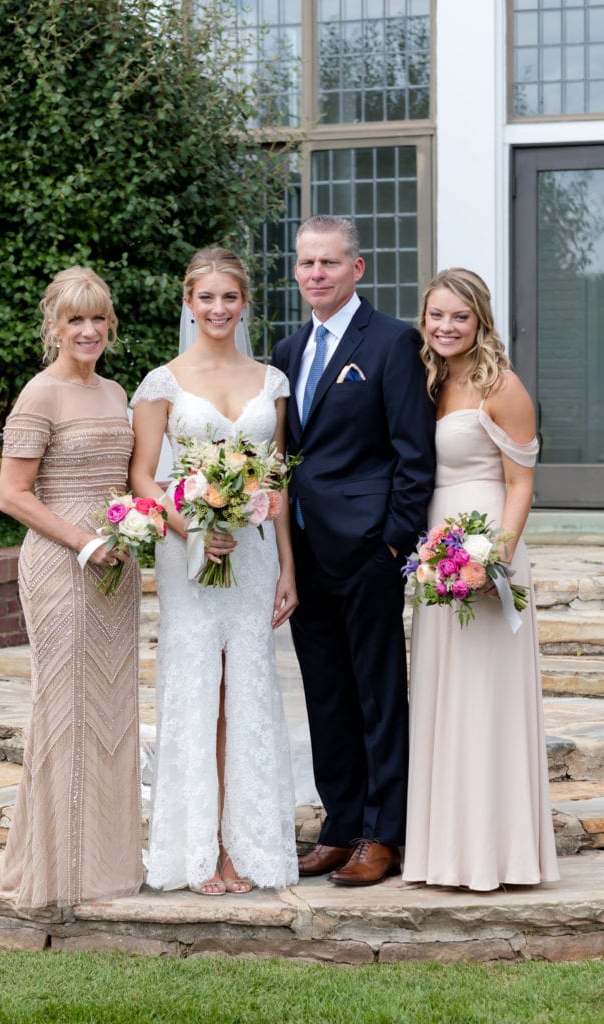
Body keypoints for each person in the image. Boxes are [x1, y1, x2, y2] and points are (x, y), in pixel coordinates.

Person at [272, 215, 436, 886]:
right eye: (306, 264)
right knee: (326, 695)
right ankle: (340, 826)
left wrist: (392, 539)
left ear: (355, 269)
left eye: (329, 263)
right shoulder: (285, 352)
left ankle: (381, 832)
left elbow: (412, 454)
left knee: (376, 693)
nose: (316, 274)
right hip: (304, 547)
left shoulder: (393, 342)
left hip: (368, 547)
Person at [129, 247, 299, 895]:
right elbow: (143, 475)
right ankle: (196, 853)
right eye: (206, 298)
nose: (218, 309)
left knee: (248, 691)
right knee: (198, 689)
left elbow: (276, 477)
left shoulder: (271, 382)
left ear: (244, 302)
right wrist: (192, 526)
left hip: (253, 554)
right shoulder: (161, 382)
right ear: (188, 302)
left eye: (229, 297)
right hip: (188, 552)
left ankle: (243, 849)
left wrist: (287, 566)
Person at [402, 267, 560, 891]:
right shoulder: (431, 380)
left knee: (487, 695)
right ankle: (445, 853)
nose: (445, 327)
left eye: (458, 317)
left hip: (487, 545)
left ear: (479, 321)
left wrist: (494, 558)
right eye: (436, 315)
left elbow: (522, 482)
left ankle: (502, 855)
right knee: (443, 691)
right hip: (436, 550)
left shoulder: (503, 386)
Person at [0, 267, 143, 910]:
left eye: (98, 319)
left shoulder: (117, 392)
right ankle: (57, 871)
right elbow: (12, 495)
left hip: (118, 566)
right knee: (63, 710)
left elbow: (131, 482)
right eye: (75, 320)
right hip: (62, 565)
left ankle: (107, 864)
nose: (88, 331)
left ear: (110, 324)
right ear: (53, 327)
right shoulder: (40, 394)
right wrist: (83, 542)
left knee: (112, 710)